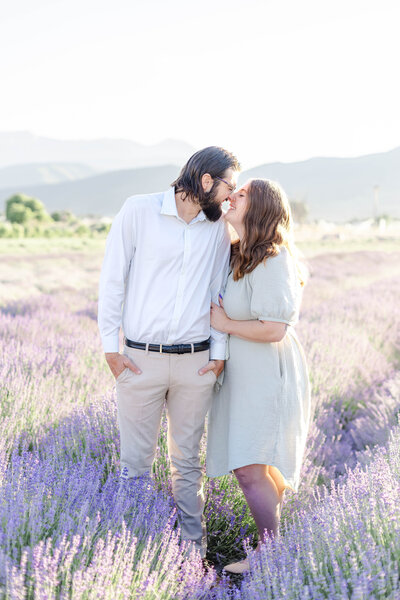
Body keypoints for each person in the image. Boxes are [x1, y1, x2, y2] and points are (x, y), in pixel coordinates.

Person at [97, 146, 240, 559]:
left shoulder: (215, 229)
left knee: (188, 466)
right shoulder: (137, 211)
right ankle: (128, 556)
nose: (230, 199)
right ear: (207, 181)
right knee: (135, 467)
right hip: (140, 360)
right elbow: (112, 280)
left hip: (196, 363)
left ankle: (193, 555)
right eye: (229, 187)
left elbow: (218, 291)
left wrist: (218, 353)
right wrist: (111, 349)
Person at [206, 178, 311, 574]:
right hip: (245, 373)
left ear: (262, 207)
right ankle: (283, 543)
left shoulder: (273, 257)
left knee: (250, 467)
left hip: (268, 372)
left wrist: (226, 323)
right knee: (258, 464)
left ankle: (270, 557)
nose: (232, 196)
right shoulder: (238, 252)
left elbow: (273, 328)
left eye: (242, 193)